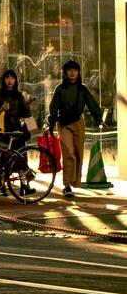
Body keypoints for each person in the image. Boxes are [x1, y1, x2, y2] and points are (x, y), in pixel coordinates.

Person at [48, 59, 103, 197]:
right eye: (69, 70)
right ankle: (67, 184)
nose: (72, 73)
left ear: (78, 73)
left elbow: (92, 103)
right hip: (64, 123)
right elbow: (53, 107)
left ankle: (75, 182)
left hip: (79, 122)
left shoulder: (83, 89)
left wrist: (99, 118)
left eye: (75, 70)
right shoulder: (60, 89)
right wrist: (51, 122)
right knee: (69, 153)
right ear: (65, 73)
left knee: (78, 153)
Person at [0, 69, 32, 141]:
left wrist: (33, 129)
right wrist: (2, 109)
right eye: (7, 78)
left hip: (17, 129)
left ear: (15, 80)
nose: (10, 80)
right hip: (3, 130)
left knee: (19, 151)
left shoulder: (19, 95)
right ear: (4, 80)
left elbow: (26, 113)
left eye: (12, 78)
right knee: (5, 150)